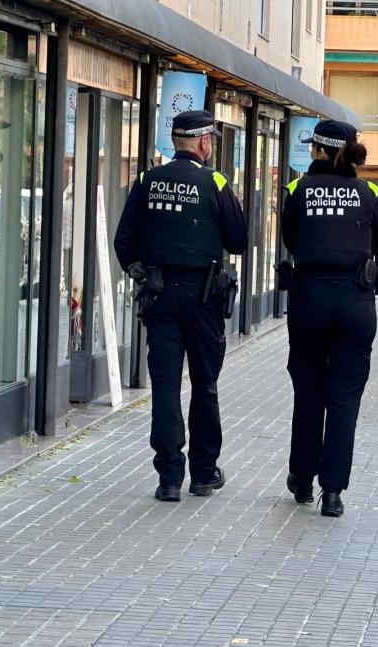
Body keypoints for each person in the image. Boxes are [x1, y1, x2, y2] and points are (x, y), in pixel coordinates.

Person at [115, 110, 247, 502]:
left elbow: (124, 242)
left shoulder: (146, 180)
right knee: (204, 384)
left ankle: (169, 477)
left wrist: (142, 271)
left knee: (166, 386)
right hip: (204, 297)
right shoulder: (216, 182)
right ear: (205, 143)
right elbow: (238, 241)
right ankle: (204, 474)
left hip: (159, 296)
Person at [281, 119, 378, 517]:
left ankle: (302, 479)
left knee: (308, 392)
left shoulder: (297, 190)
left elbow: (290, 238)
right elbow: (376, 240)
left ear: (320, 151)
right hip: (355, 303)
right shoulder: (370, 192)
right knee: (344, 399)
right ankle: (334, 492)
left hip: (309, 298)